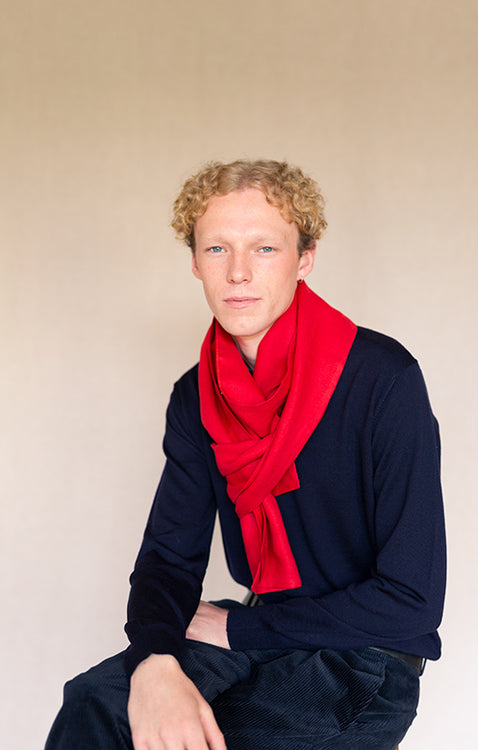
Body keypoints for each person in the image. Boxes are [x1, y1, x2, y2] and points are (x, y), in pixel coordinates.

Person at [45, 159, 446, 750]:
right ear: (194, 261)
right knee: (98, 703)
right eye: (217, 248)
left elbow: (411, 604)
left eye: (264, 248)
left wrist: (238, 627)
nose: (237, 272)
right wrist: (155, 660)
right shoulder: (195, 396)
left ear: (304, 258)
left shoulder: (383, 378)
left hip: (364, 660)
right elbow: (168, 560)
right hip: (258, 633)